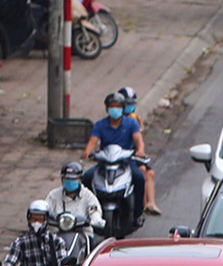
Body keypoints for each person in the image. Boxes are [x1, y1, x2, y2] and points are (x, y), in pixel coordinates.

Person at [82, 93, 147, 227]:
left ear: (123, 108)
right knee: (87, 178)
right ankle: (86, 213)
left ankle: (138, 214)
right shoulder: (100, 125)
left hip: (126, 163)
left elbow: (138, 140)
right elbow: (93, 141)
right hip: (104, 163)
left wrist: (140, 150)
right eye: (112, 106)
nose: (114, 109)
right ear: (107, 108)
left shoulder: (131, 123)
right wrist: (87, 152)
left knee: (139, 178)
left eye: (117, 106)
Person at [0, 201, 71, 266]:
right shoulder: (20, 242)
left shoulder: (57, 241)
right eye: (34, 219)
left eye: (40, 219)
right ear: (29, 219)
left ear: (46, 220)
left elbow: (62, 261)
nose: (36, 223)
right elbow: (10, 261)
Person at [118, 89, 160, 216]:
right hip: (120, 157)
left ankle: (150, 203)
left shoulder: (134, 120)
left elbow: (138, 141)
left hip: (133, 155)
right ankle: (140, 205)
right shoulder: (113, 122)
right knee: (141, 171)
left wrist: (140, 152)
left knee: (150, 173)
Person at [45, 161, 104, 231]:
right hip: (59, 235)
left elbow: (95, 212)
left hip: (82, 234)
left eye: (74, 179)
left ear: (80, 180)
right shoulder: (53, 195)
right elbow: (45, 211)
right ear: (62, 180)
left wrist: (96, 221)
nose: (70, 181)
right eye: (67, 179)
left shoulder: (89, 196)